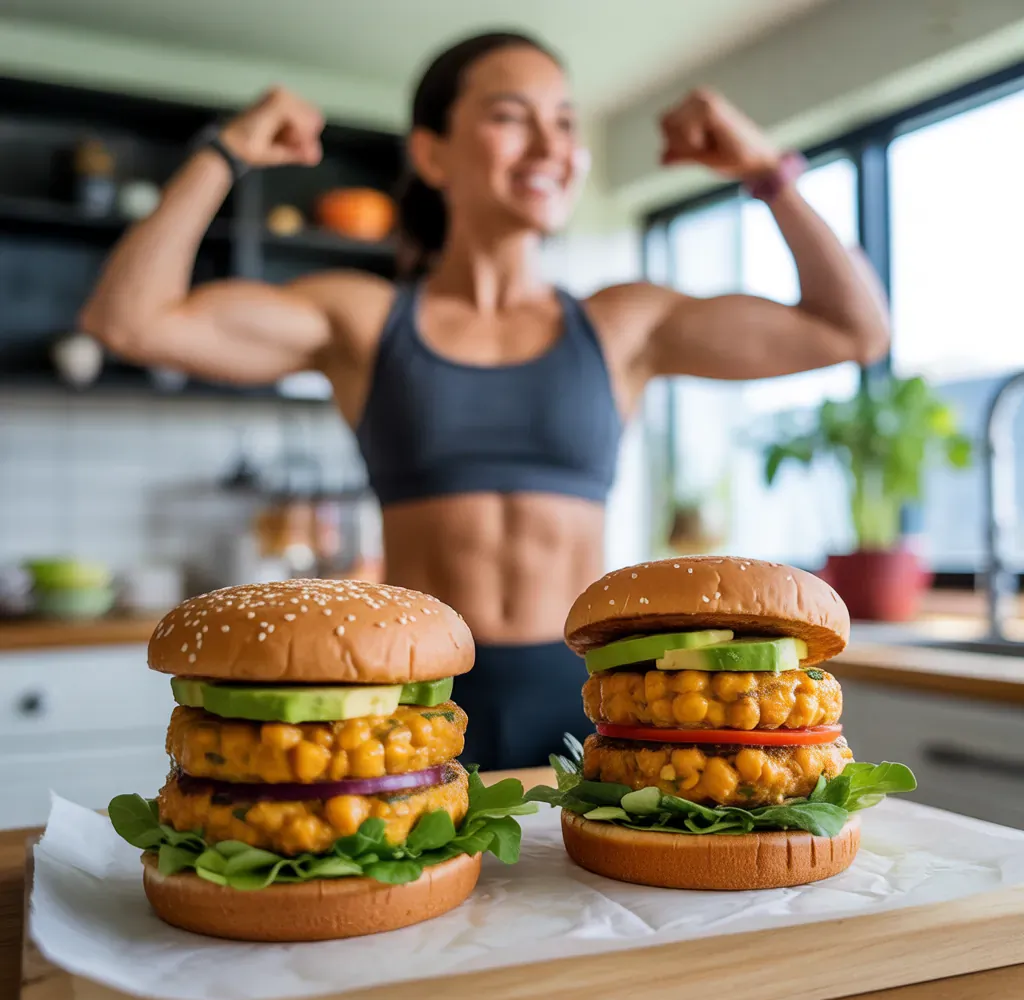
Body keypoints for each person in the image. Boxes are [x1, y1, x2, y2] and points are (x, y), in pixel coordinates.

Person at [81, 32, 888, 771]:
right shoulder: (364, 320)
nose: (552, 146)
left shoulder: (621, 325)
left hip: (594, 696)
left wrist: (765, 169)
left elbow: (853, 331)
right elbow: (129, 319)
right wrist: (224, 151)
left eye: (566, 123)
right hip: (412, 695)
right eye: (512, 117)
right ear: (432, 154)